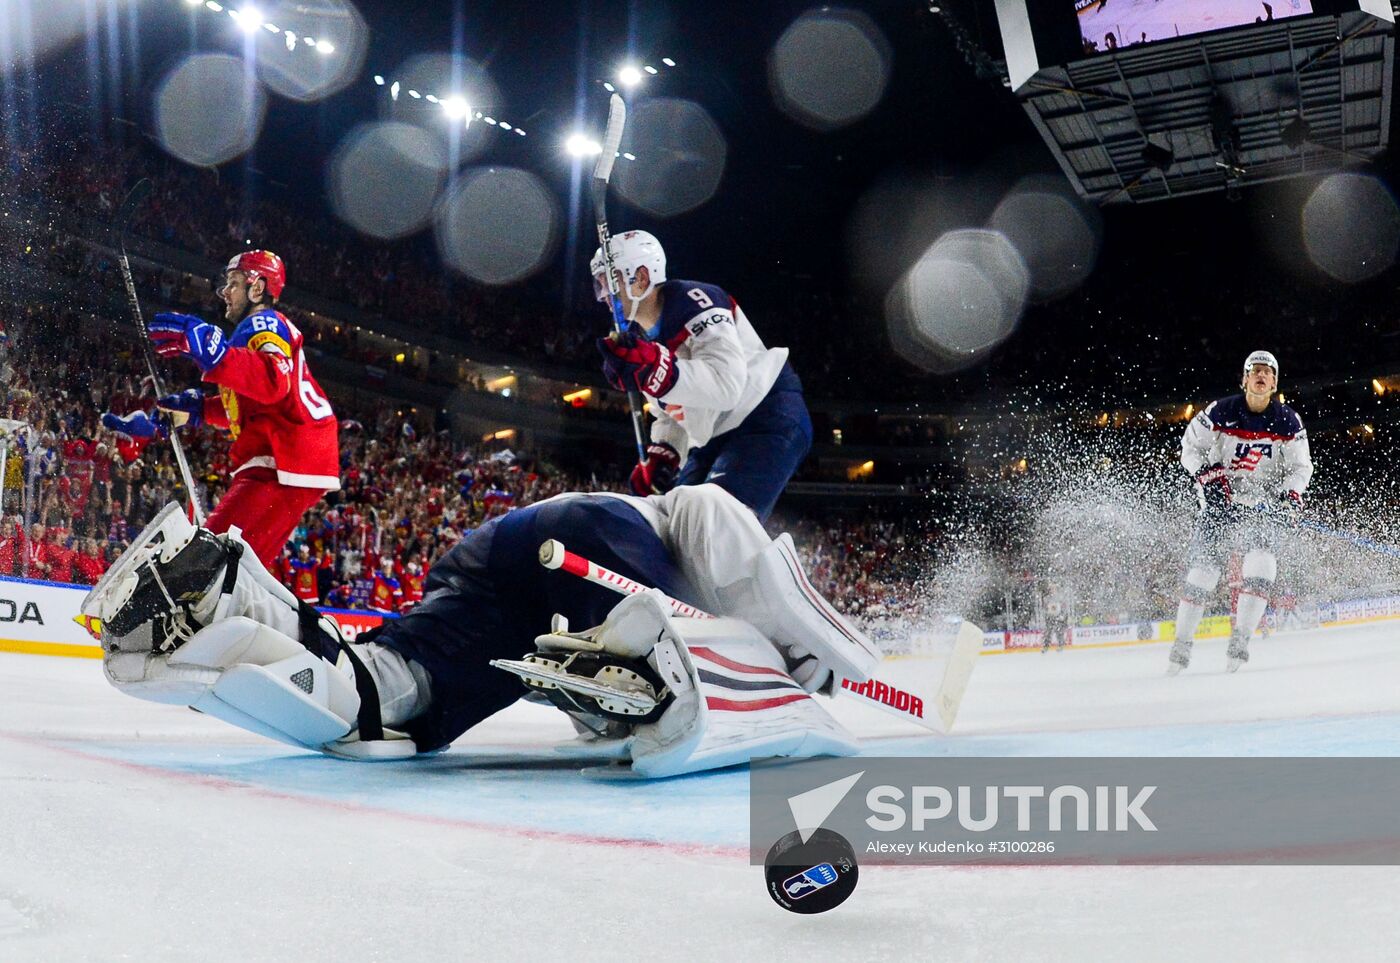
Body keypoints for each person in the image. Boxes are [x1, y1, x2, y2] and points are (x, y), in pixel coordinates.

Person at [87, 484, 880, 777]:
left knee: (384, 705)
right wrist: (825, 663)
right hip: (589, 530)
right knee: (670, 672)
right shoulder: (705, 525)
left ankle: (216, 593)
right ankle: (218, 587)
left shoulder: (716, 594)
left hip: (499, 573)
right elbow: (765, 572)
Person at [101, 250, 339, 569]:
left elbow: (274, 381)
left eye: (234, 283)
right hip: (293, 457)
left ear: (257, 288)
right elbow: (248, 406)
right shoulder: (255, 331)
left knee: (203, 562)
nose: (225, 292)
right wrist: (197, 410)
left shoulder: (263, 322)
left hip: (281, 458)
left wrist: (218, 355)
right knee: (236, 569)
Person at [591, 231, 812, 522]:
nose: (604, 294)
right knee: (673, 524)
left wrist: (659, 370)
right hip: (713, 436)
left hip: (765, 414)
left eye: (611, 280)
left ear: (641, 277)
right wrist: (666, 448)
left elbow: (726, 385)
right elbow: (673, 407)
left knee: (712, 525)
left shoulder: (696, 301)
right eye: (600, 284)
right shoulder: (638, 340)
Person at [1168, 350, 1313, 675]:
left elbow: (1300, 468)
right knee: (1203, 573)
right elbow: (1190, 449)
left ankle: (1241, 639)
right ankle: (1181, 644)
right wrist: (1207, 475)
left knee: (1263, 563)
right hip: (1221, 503)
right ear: (1244, 379)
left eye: (1267, 372)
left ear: (1274, 383)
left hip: (1263, 506)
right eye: (1255, 370)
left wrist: (1290, 495)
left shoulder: (1289, 421)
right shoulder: (1220, 411)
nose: (1261, 375)